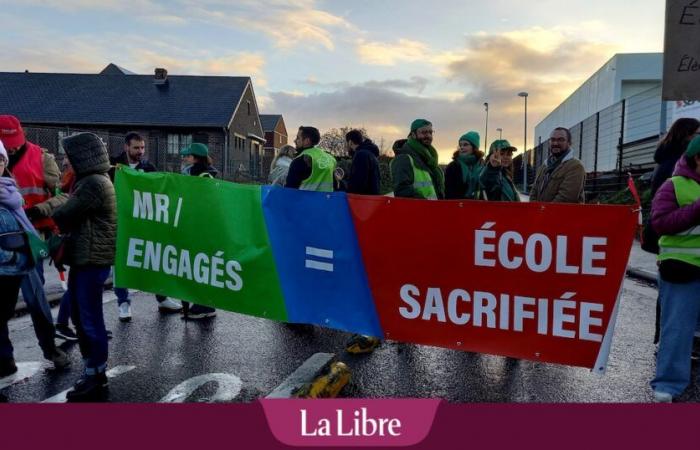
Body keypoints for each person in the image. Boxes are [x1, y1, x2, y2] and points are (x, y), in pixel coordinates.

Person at [52, 132, 116, 401]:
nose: (65, 161)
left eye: (68, 156)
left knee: (89, 319)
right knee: (81, 316)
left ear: (82, 156)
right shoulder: (91, 180)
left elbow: (64, 214)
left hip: (92, 259)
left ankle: (96, 374)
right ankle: (92, 370)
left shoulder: (93, 184)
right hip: (86, 258)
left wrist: (58, 205)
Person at [0, 141, 70, 376]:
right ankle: (5, 359)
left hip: (24, 259)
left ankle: (49, 349)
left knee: (38, 303)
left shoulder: (10, 190)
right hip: (8, 263)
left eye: (0, 160)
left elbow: (60, 194)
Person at [109, 132, 182, 321]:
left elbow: (159, 190)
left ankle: (162, 297)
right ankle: (123, 303)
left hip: (143, 223)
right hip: (120, 222)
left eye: (142, 148)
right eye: (136, 148)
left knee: (153, 258)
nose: (140, 152)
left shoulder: (148, 167)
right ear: (126, 147)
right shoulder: (113, 166)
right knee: (121, 262)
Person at [650, 135, 700, 402]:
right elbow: (660, 222)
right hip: (683, 269)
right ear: (697, 159)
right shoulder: (674, 186)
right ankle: (667, 386)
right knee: (677, 330)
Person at [179, 143, 218, 320]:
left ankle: (205, 306)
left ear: (195, 158)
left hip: (202, 230)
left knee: (201, 266)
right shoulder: (192, 173)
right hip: (196, 228)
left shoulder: (203, 176)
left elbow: (207, 203)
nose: (184, 158)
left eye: (187, 156)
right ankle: (199, 303)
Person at [391, 119, 445, 200]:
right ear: (413, 134)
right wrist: (426, 205)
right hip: (418, 211)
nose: (428, 136)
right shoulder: (403, 158)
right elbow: (402, 191)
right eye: (424, 132)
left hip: (434, 210)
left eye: (430, 132)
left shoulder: (430, 157)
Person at [530, 127, 586, 203]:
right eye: (552, 140)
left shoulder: (575, 166)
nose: (555, 143)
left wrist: (543, 212)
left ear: (569, 143)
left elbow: (565, 198)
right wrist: (536, 210)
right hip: (541, 213)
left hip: (562, 214)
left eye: (561, 140)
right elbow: (533, 192)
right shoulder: (544, 166)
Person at [285, 126, 337, 191]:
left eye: (298, 138)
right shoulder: (330, 158)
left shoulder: (300, 160)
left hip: (305, 200)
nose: (295, 140)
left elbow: (289, 190)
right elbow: (335, 186)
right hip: (327, 200)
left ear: (307, 141)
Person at [445, 131, 484, 200]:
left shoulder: (482, 165)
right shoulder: (453, 166)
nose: (462, 147)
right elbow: (448, 192)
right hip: (457, 207)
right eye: (460, 145)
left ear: (474, 147)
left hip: (478, 207)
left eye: (465, 145)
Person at [345, 129, 380, 195]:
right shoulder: (371, 154)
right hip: (372, 199)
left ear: (350, 142)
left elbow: (358, 183)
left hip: (363, 200)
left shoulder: (360, 155)